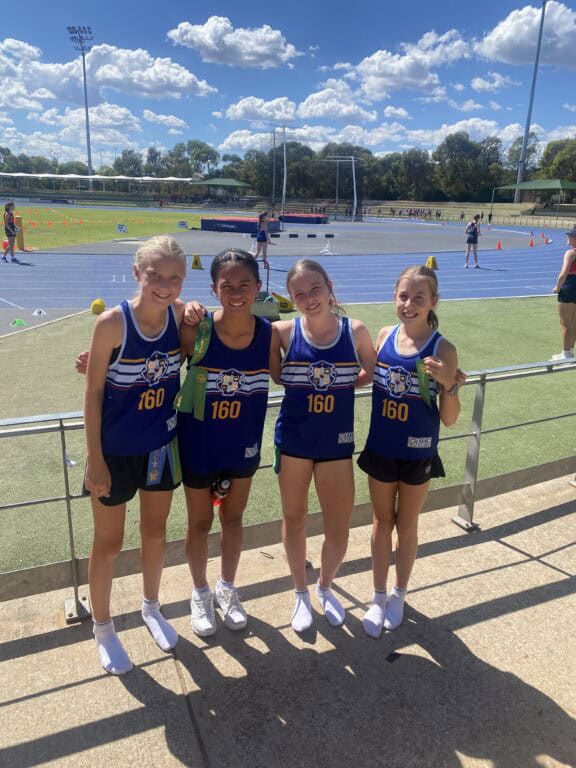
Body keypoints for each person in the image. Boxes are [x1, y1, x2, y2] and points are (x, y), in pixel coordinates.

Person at [83, 236, 187, 675]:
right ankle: (103, 628)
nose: (164, 285)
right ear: (137, 274)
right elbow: (92, 395)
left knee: (155, 532)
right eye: (155, 275)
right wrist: (95, 459)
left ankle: (151, 607)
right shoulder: (111, 324)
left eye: (174, 278)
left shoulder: (182, 317)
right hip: (114, 452)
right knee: (108, 544)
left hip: (160, 447)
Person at [179, 249, 281, 637]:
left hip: (242, 443)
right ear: (213, 288)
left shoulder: (269, 334)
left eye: (244, 285)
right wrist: (101, 361)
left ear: (258, 287)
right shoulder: (196, 329)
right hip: (198, 442)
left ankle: (227, 588)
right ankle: (200, 593)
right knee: (200, 523)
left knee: (233, 520)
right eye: (227, 286)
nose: (236, 292)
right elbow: (157, 354)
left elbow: (289, 375)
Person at [358, 264, 463, 638]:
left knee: (407, 524)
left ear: (434, 301)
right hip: (381, 447)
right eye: (403, 295)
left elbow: (449, 418)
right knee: (380, 522)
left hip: (419, 451)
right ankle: (377, 595)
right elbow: (360, 377)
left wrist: (449, 384)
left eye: (419, 297)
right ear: (394, 297)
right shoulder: (384, 337)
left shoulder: (443, 348)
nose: (409, 304)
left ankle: (399, 595)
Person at [273, 259, 376, 632]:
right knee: (295, 519)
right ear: (291, 299)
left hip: (336, 443)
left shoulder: (355, 331)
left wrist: (344, 384)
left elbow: (375, 371)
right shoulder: (282, 333)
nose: (308, 298)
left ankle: (325, 586)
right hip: (295, 442)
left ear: (329, 286)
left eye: (314, 288)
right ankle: (300, 592)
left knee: (338, 527)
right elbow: (258, 362)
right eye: (299, 293)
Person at [551, 226, 576, 360]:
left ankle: (565, 353)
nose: (568, 238)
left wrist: (557, 287)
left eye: (570, 236)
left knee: (565, 322)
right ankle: (569, 351)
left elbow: (563, 273)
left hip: (568, 285)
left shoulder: (570, 253)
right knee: (573, 322)